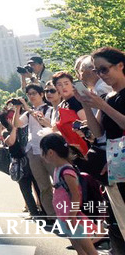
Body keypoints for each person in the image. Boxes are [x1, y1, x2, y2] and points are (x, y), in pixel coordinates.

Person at [77, 47, 125, 251]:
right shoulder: (107, 97)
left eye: (104, 69)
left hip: (118, 160)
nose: (100, 75)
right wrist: (87, 104)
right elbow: (98, 132)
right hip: (116, 162)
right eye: (97, 71)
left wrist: (102, 105)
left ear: (121, 66)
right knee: (120, 218)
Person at [39, 133, 99, 255]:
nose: (41, 155)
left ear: (50, 152)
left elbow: (76, 195)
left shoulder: (66, 171)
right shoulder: (58, 169)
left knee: (89, 250)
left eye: (42, 151)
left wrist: (72, 216)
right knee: (79, 249)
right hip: (65, 217)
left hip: (73, 218)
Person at [15, 84, 55, 219]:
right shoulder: (27, 112)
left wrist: (27, 108)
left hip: (49, 150)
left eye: (33, 93)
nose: (31, 96)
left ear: (41, 94)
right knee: (43, 186)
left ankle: (67, 214)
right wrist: (17, 109)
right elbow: (17, 124)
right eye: (28, 94)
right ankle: (51, 216)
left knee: (59, 182)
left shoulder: (49, 109)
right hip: (33, 151)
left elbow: (45, 123)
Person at [0, 103, 40, 218]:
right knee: (25, 189)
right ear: (6, 120)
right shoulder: (6, 132)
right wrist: (14, 128)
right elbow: (11, 142)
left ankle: (43, 209)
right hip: (19, 163)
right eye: (9, 117)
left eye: (13, 116)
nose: (12, 119)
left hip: (32, 159)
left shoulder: (25, 127)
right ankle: (33, 211)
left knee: (38, 186)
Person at [52, 72, 90, 158]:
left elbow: (87, 123)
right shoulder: (62, 105)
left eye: (66, 83)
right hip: (71, 149)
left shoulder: (76, 101)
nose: (64, 87)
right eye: (59, 85)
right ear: (56, 88)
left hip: (85, 146)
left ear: (72, 84)